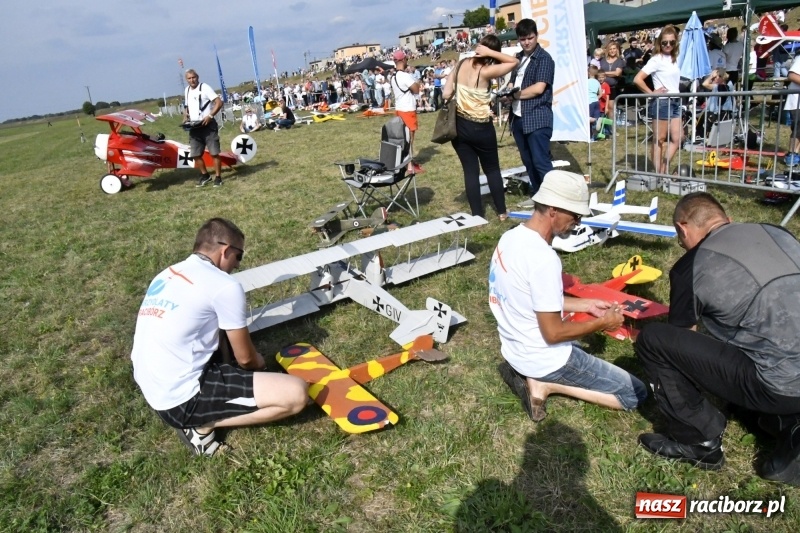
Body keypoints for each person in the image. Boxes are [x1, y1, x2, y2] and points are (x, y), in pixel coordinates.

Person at [635, 193, 800, 482]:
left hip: (781, 387)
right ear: (727, 220)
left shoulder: (691, 266)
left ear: (682, 228)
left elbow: (681, 344)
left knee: (655, 340)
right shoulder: (777, 232)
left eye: (680, 238)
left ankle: (699, 440)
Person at [131, 218, 308, 456]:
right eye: (239, 256)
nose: (237, 265)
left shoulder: (167, 273)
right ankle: (202, 425)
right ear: (225, 251)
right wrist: (261, 364)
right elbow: (246, 359)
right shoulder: (224, 285)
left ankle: (206, 407)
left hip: (153, 387)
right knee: (296, 394)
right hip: (181, 399)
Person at [489, 170, 647, 422]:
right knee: (636, 394)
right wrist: (603, 323)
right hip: (543, 359)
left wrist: (585, 304)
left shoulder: (510, 238)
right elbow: (553, 333)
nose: (578, 221)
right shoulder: (544, 259)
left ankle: (537, 378)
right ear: (553, 209)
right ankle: (546, 385)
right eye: (574, 214)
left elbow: (530, 298)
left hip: (514, 350)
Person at [443, 35, 518, 221]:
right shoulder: (486, 71)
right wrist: (491, 52)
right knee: (492, 169)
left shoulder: (460, 64)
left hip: (460, 126)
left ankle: (477, 216)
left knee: (470, 172)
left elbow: (446, 93)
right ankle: (501, 212)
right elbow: (514, 62)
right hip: (481, 127)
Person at [505, 18, 555, 197]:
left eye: (530, 38)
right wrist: (508, 93)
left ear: (537, 36)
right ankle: (539, 195)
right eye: (522, 39)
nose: (526, 42)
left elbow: (539, 88)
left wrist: (515, 95)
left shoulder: (544, 58)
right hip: (518, 117)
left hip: (537, 116)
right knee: (527, 160)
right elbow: (512, 82)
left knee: (541, 161)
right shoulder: (517, 58)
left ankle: (553, 197)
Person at [633, 25, 683, 175]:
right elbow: (638, 79)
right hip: (662, 102)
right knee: (659, 139)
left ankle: (664, 169)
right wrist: (651, 93)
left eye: (671, 42)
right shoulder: (656, 59)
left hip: (676, 101)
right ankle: (658, 174)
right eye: (665, 42)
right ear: (659, 43)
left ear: (676, 43)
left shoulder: (676, 59)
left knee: (678, 138)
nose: (668, 45)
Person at [183, 69, 224, 187]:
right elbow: (186, 107)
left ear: (198, 77)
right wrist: (185, 117)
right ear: (187, 80)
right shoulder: (186, 90)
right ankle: (205, 175)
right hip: (194, 126)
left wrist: (210, 116)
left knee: (214, 153)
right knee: (195, 154)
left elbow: (219, 102)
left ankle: (218, 177)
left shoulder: (205, 87)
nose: (192, 80)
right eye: (189, 78)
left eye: (194, 77)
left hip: (208, 126)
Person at [390, 50, 421, 173]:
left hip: (399, 108)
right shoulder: (405, 76)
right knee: (409, 139)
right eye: (406, 59)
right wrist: (417, 82)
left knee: (403, 138)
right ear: (403, 60)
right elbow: (416, 89)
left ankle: (406, 162)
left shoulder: (393, 77)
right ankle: (409, 165)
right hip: (407, 109)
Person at [600, 41, 626, 122]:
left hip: (612, 88)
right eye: (610, 49)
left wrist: (603, 73)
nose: (612, 50)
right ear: (608, 50)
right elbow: (597, 72)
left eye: (614, 48)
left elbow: (617, 73)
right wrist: (610, 74)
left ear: (617, 50)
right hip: (601, 87)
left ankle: (612, 128)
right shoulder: (602, 60)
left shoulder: (619, 61)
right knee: (601, 106)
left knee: (611, 107)